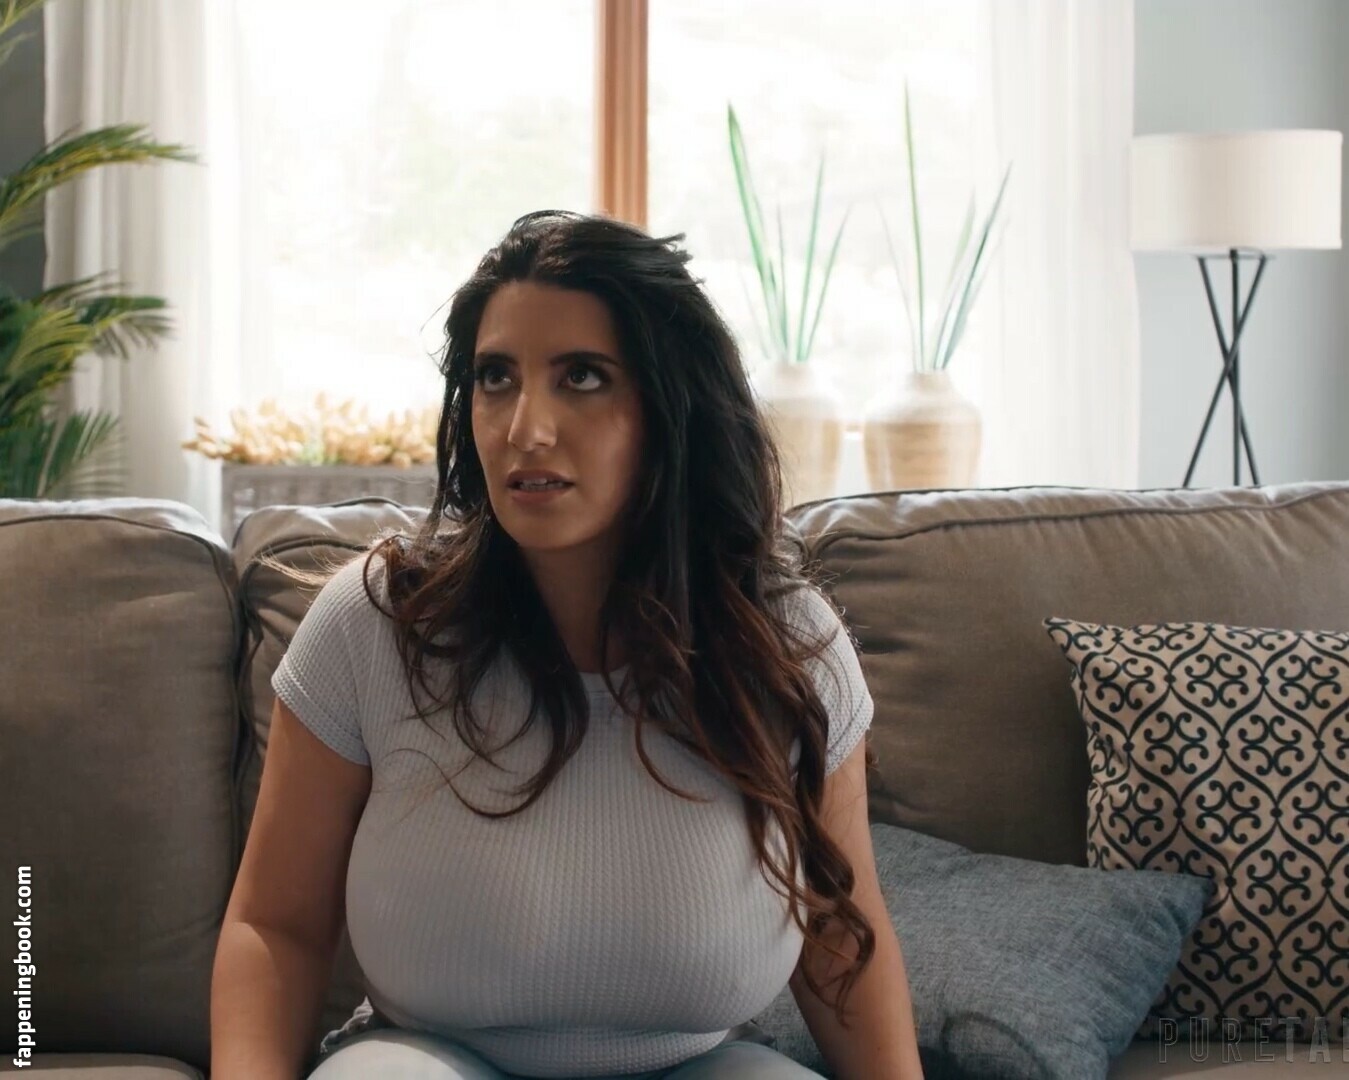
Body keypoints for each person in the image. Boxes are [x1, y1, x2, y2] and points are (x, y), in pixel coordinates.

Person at [210, 210, 924, 1080]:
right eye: (495, 378)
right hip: (425, 1058)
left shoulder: (788, 645)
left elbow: (839, 935)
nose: (525, 427)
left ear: (672, 408)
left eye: (581, 376)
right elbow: (275, 925)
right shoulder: (375, 623)